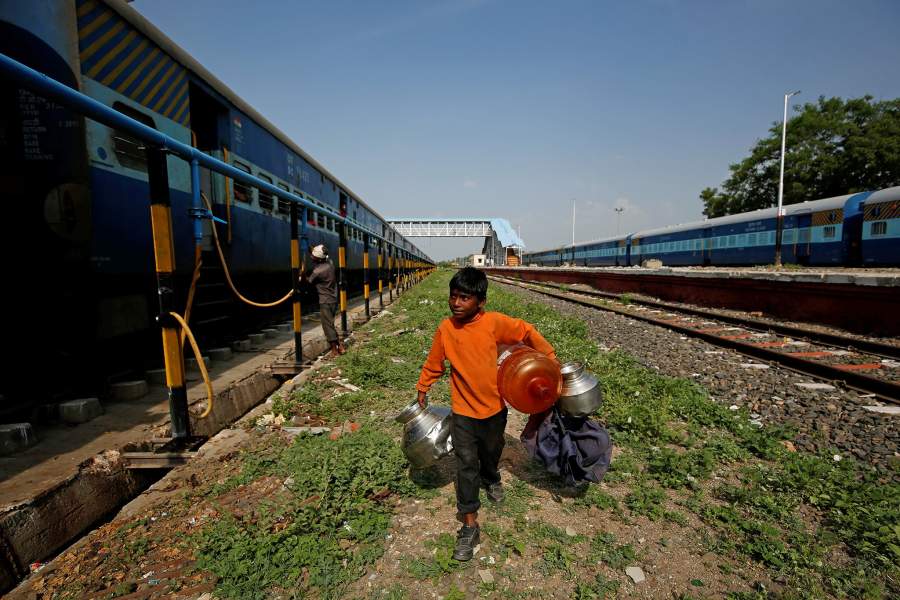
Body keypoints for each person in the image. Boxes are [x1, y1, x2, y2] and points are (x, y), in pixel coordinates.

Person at [415, 267, 557, 561]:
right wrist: (423, 386)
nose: (456, 303)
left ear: (481, 301)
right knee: (466, 463)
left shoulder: (494, 324)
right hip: (463, 412)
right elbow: (434, 363)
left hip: (494, 409)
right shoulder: (446, 329)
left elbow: (527, 331)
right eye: (453, 296)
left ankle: (491, 477)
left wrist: (550, 359)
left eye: (464, 298)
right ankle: (469, 525)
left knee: (491, 450)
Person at [302, 244, 345, 357]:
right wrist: (311, 248)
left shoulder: (317, 272)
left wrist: (302, 275)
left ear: (317, 258)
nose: (311, 257)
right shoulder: (330, 265)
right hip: (333, 299)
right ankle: (340, 346)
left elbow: (308, 282)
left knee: (327, 326)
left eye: (313, 256)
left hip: (325, 300)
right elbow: (323, 255)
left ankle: (334, 351)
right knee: (330, 324)